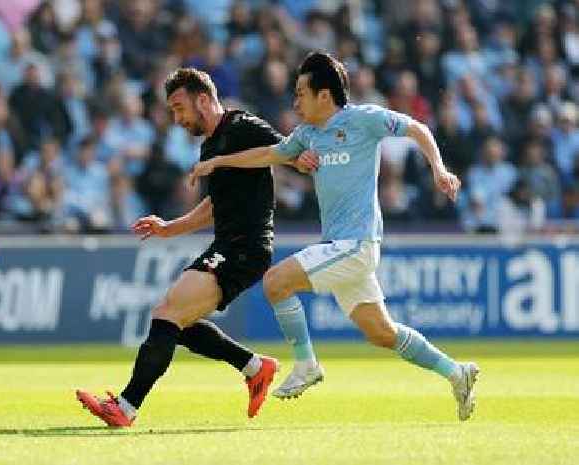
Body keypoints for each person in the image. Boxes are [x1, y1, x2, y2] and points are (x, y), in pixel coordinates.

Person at [190, 52, 480, 421]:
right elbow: (268, 154)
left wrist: (438, 169)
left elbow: (417, 129)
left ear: (324, 96)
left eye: (300, 93)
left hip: (357, 244)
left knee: (276, 282)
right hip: (342, 248)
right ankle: (456, 373)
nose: (295, 102)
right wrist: (218, 162)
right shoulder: (307, 135)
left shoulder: (364, 119)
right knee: (381, 332)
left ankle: (306, 364)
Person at [75, 68, 306, 427]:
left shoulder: (243, 126)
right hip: (228, 244)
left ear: (203, 99)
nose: (177, 118)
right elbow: (215, 206)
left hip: (247, 247)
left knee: (167, 314)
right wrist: (171, 228)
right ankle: (255, 367)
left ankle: (126, 407)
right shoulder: (210, 144)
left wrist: (312, 159)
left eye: (179, 107)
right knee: (175, 321)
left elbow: (291, 153)